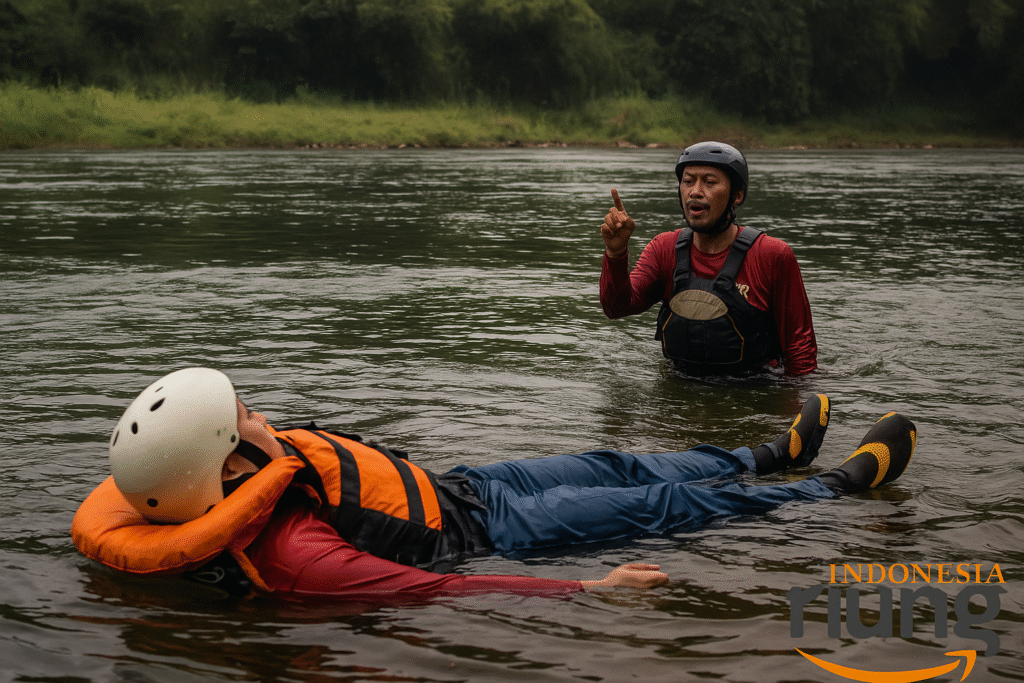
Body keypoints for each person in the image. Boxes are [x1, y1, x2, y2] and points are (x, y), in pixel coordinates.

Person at [72, 368, 916, 600]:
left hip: (466, 486)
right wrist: (590, 587)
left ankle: (770, 456)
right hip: (491, 535)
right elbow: (432, 587)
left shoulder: (250, 468)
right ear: (229, 469)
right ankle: (836, 488)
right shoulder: (296, 556)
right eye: (246, 416)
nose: (263, 417)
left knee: (619, 463)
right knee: (661, 506)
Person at [600, 141, 818, 376]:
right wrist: (616, 253)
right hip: (680, 391)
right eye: (688, 181)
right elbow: (617, 307)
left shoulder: (773, 255)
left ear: (737, 195)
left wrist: (796, 406)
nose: (695, 191)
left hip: (752, 390)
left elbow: (800, 351)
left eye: (710, 182)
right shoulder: (663, 248)